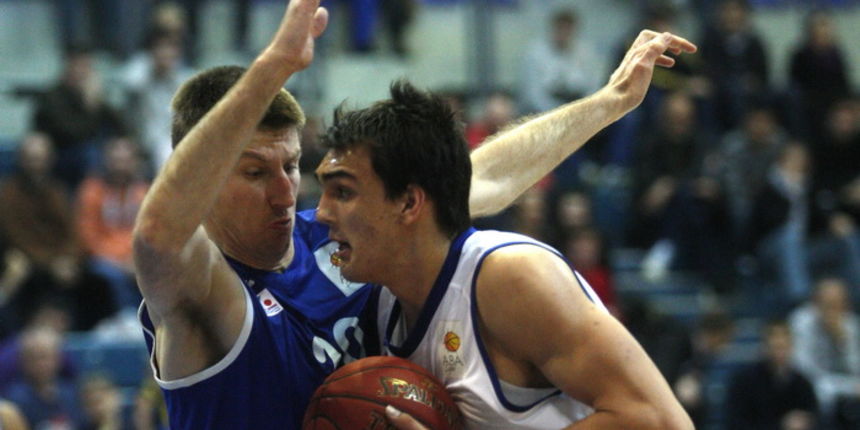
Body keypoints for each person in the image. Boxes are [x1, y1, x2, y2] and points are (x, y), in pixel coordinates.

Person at [132, 0, 697, 428]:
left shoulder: (346, 237)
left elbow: (484, 174)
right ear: (201, 182)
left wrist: (608, 104)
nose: (286, 193)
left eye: (290, 166)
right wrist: (275, 65)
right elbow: (158, 236)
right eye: (255, 173)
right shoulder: (203, 294)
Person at [315, 80, 693, 429]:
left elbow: (660, 420)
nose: (321, 213)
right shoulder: (385, 303)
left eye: (343, 193)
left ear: (409, 203)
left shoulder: (511, 277)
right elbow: (487, 175)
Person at [725, 319, 818, 430]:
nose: (780, 353)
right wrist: (781, 426)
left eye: (784, 347)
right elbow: (736, 423)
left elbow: (815, 419)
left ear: (791, 347)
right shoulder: (744, 382)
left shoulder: (802, 384)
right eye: (776, 347)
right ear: (765, 347)